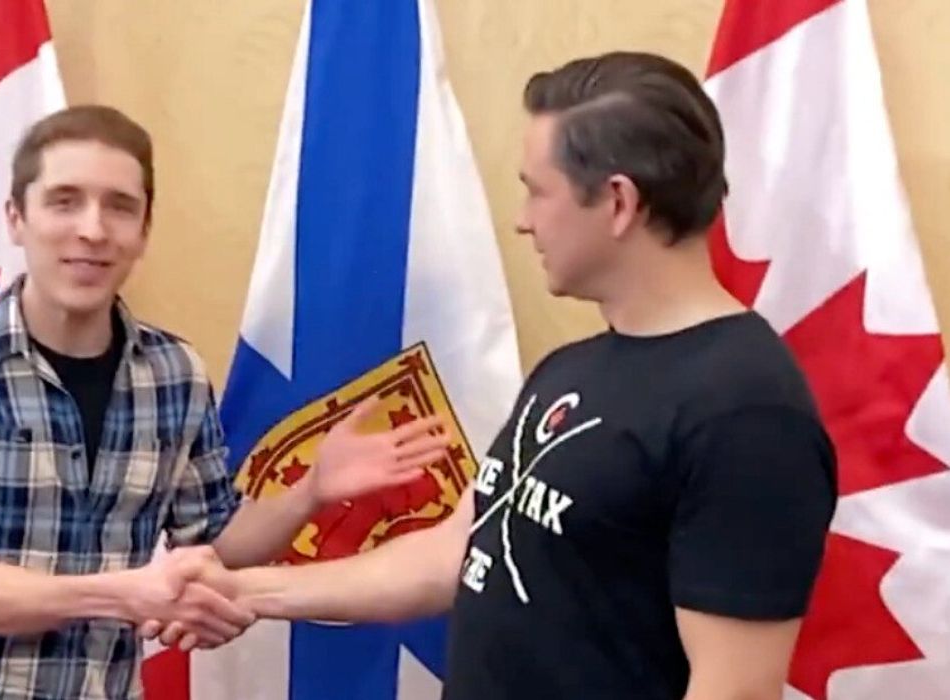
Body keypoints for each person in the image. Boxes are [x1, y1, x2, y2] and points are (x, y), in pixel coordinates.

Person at [160, 51, 838, 700]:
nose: (522, 222)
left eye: (537, 193)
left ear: (618, 202)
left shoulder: (745, 413)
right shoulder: (572, 368)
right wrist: (245, 591)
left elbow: (735, 688)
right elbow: (459, 548)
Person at [0, 104, 449, 699]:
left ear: (144, 231)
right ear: (15, 219)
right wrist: (123, 593)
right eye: (65, 201)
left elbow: (216, 543)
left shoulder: (174, 373)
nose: (93, 230)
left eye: (120, 207)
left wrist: (312, 490)